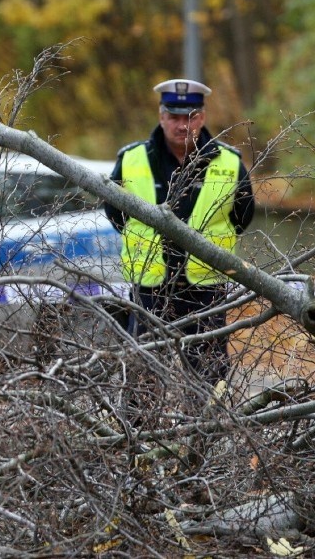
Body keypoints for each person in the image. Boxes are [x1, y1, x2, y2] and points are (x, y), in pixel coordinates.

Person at [105, 78, 255, 384]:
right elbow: (115, 214)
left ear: (203, 116)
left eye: (191, 116)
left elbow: (243, 216)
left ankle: (206, 432)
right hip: (148, 289)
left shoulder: (229, 163)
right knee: (141, 376)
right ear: (161, 116)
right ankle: (139, 433)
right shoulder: (132, 159)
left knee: (207, 376)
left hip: (205, 290)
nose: (183, 125)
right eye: (174, 116)